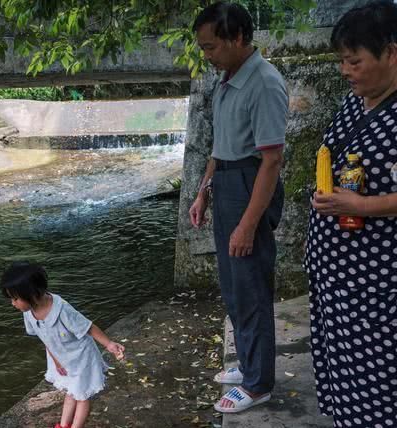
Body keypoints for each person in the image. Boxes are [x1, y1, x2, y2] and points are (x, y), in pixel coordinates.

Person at [188, 1, 287, 413]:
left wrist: (248, 223)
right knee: (233, 283)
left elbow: (272, 160)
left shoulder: (263, 82)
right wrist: (203, 190)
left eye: (211, 47)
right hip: (227, 180)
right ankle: (248, 363)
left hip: (250, 184)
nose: (206, 55)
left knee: (251, 286)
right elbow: (220, 147)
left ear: (239, 38)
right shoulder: (227, 79)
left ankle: (259, 383)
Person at [306, 2, 397, 427]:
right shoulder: (355, 102)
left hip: (378, 284)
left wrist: (361, 206)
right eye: (342, 60)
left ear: (391, 53)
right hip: (337, 277)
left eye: (355, 60)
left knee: (378, 376)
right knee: (343, 368)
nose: (346, 70)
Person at [0, 261, 125, 428]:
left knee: (81, 396)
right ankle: (64, 424)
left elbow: (88, 327)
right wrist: (56, 360)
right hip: (61, 357)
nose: (13, 303)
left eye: (15, 298)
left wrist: (109, 344)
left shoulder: (62, 310)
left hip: (81, 358)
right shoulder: (29, 311)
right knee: (70, 391)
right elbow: (45, 338)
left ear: (33, 294)